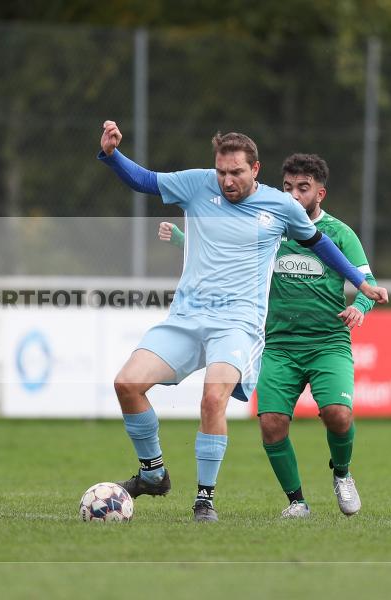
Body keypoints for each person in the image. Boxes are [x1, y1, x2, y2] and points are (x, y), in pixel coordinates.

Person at [98, 121, 387, 522]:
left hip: (239, 323)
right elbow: (145, 181)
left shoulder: (280, 206)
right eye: (221, 171)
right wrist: (112, 156)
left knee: (213, 397)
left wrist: (359, 283)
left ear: (255, 169)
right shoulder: (197, 185)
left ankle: (204, 500)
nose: (227, 180)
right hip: (187, 316)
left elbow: (319, 243)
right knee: (126, 384)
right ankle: (154, 473)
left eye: (236, 172)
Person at [159, 153, 376, 519]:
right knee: (272, 424)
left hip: (328, 343)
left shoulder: (339, 234)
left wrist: (361, 307)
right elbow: (225, 255)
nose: (293, 195)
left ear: (320, 193)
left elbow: (366, 283)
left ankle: (342, 473)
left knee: (338, 414)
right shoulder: (268, 225)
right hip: (277, 344)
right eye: (288, 187)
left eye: (303, 189)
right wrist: (183, 239)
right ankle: (297, 502)